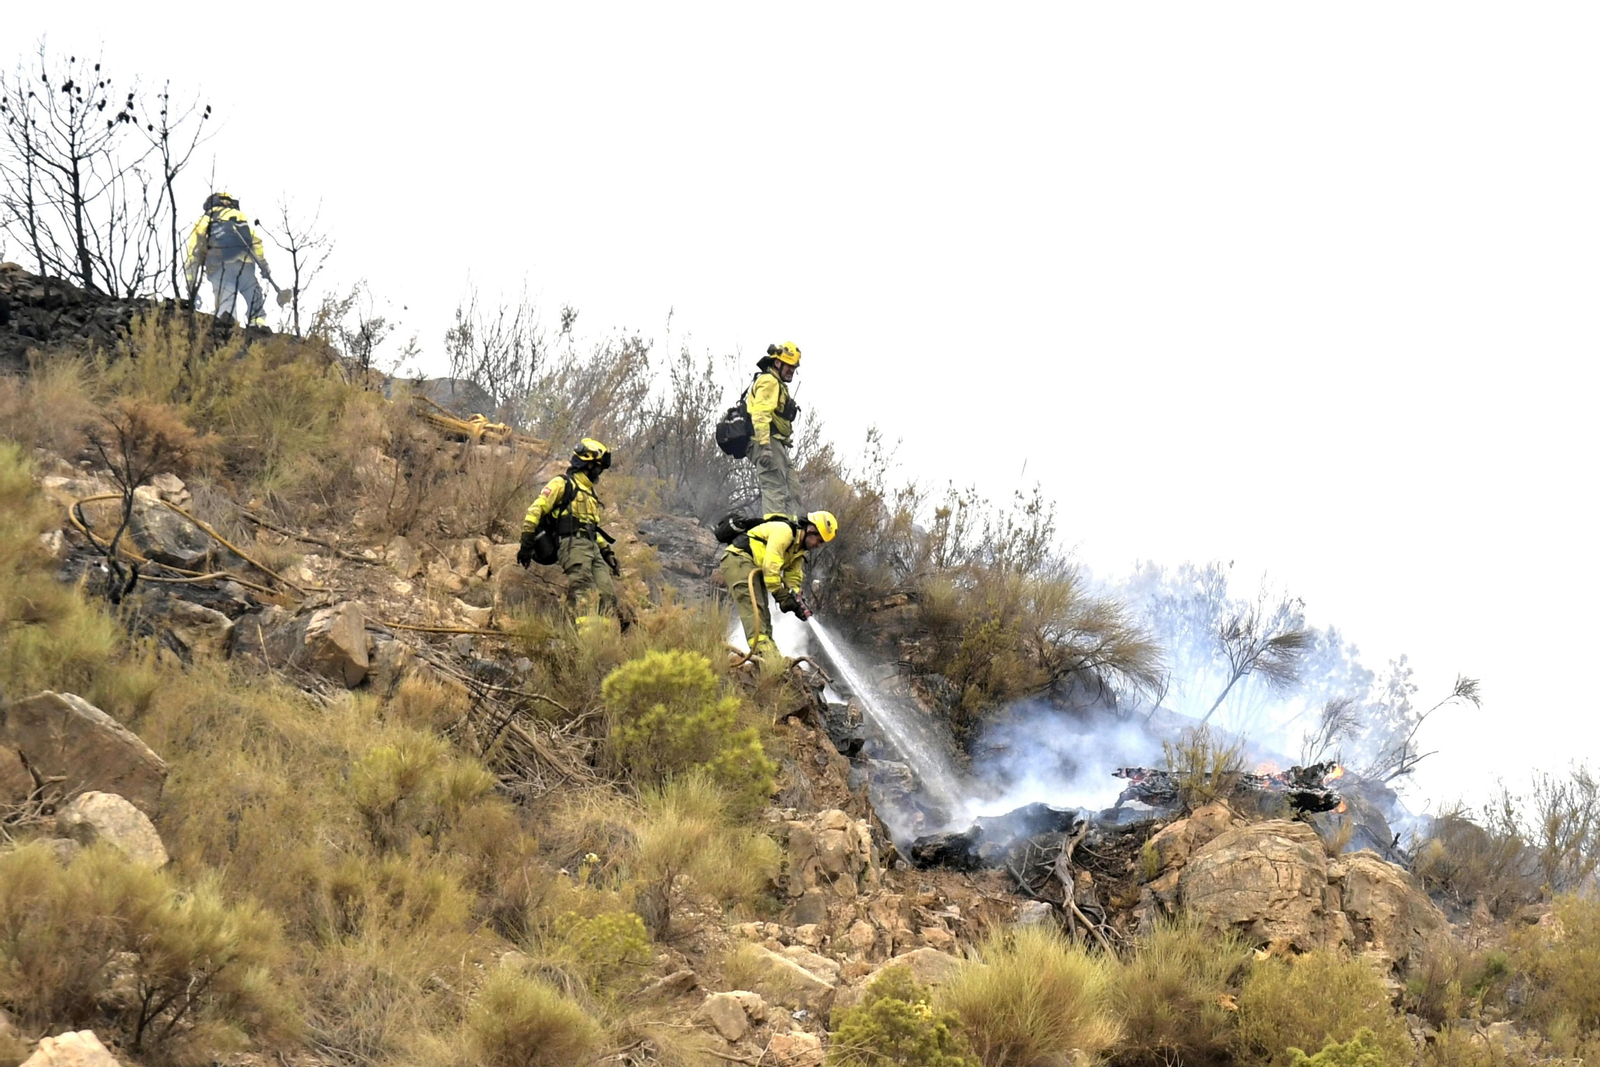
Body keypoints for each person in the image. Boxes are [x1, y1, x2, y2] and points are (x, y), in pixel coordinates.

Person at [518, 438, 621, 628]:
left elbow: (590, 527)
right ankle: (586, 643)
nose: (599, 473)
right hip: (572, 545)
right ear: (588, 465)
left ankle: (601, 639)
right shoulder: (562, 483)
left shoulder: (590, 493)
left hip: (592, 547)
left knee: (608, 595)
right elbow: (535, 510)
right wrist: (526, 543)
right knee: (585, 592)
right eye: (598, 467)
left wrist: (607, 552)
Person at [720, 510, 837, 662]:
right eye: (819, 541)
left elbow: (793, 578)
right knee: (754, 609)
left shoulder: (799, 550)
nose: (818, 546)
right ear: (811, 530)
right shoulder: (784, 532)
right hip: (738, 560)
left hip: (752, 567)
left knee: (764, 615)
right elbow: (771, 566)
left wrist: (797, 601)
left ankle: (772, 656)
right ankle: (765, 656)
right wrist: (781, 596)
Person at [183, 191, 270, 327]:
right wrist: (263, 264)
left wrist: (190, 283)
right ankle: (258, 325)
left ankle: (228, 330)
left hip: (218, 268)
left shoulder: (204, 221)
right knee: (254, 299)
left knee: (226, 302)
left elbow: (193, 252)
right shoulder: (238, 215)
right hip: (244, 265)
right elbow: (255, 241)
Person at [747, 341, 804, 520]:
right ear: (777, 363)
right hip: (766, 440)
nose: (791, 372)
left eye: (794, 369)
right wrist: (764, 445)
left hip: (776, 442)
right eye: (789, 367)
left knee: (793, 489)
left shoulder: (777, 383)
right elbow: (760, 413)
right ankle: (774, 533)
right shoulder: (769, 381)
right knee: (775, 487)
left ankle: (789, 531)